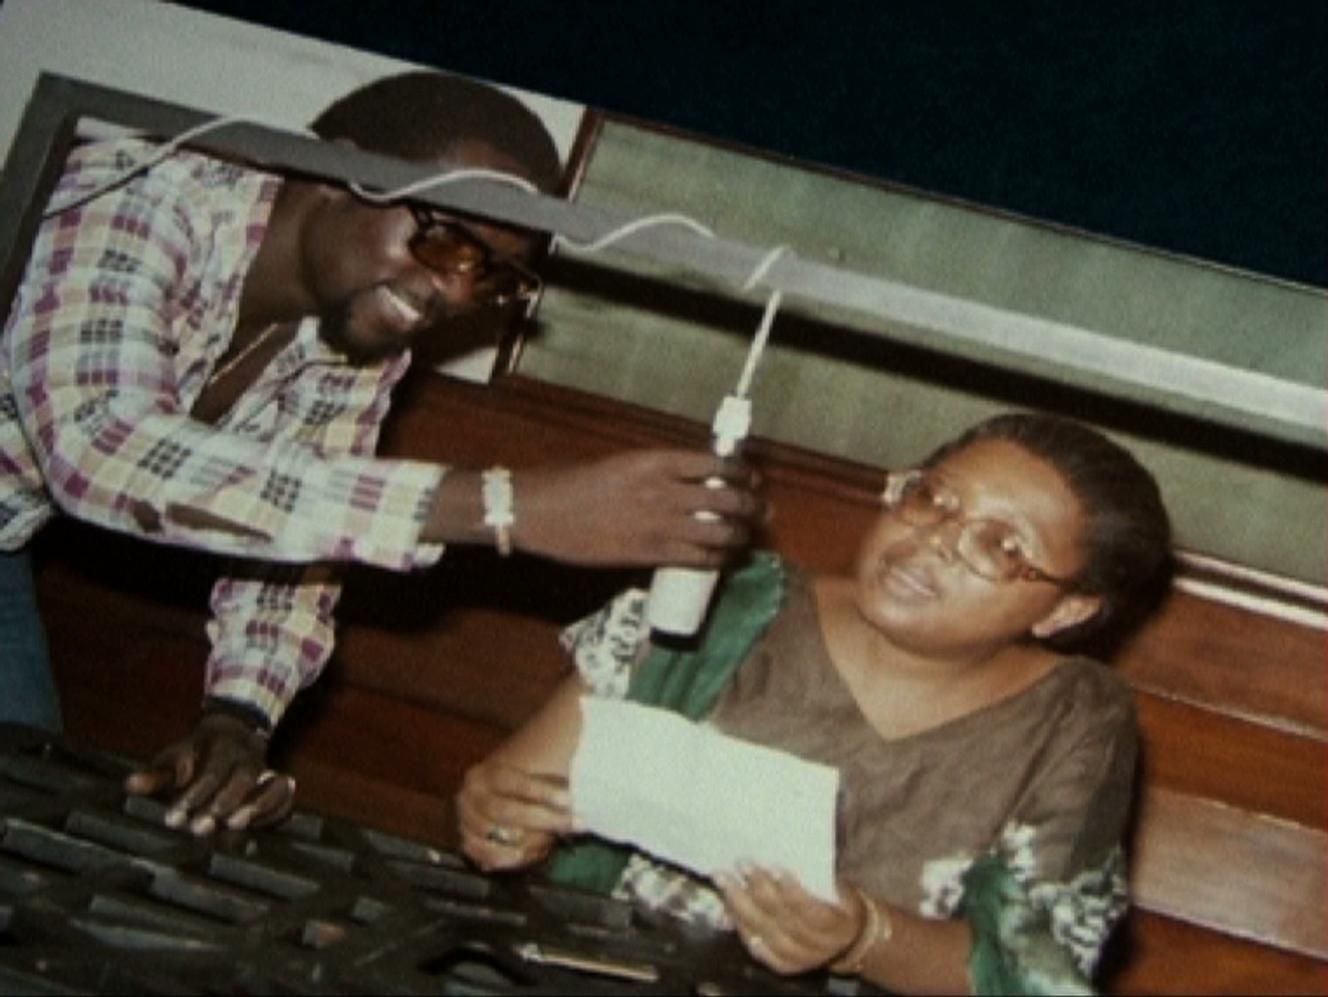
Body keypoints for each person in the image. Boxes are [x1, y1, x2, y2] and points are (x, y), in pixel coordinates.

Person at [0, 72, 759, 836]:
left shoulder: (356, 336)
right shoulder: (139, 192)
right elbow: (98, 444)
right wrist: (499, 505)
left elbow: (298, 550)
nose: (454, 294)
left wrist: (238, 715)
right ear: (337, 174)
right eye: (445, 240)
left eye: (490, 276)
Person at [455, 411, 1172, 995]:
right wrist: (500, 821)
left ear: (1066, 610)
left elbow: (1033, 974)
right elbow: (510, 808)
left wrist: (864, 937)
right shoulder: (724, 600)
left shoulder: (1074, 719)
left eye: (1000, 544)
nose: (936, 542)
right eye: (933, 499)